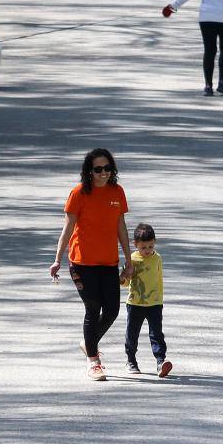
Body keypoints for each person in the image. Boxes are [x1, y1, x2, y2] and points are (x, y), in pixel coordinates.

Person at [50, 148, 133, 382]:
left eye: (107, 168)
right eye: (98, 169)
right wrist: (57, 259)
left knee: (113, 310)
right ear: (89, 171)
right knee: (92, 307)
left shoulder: (117, 192)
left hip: (108, 261)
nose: (103, 173)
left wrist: (128, 258)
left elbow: (121, 227)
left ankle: (88, 342)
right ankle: (94, 362)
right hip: (82, 262)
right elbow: (67, 229)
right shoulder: (78, 193)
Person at [122, 222, 172, 377]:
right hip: (135, 303)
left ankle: (160, 361)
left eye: (150, 246)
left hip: (155, 303)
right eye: (143, 247)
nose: (147, 250)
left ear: (154, 242)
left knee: (156, 333)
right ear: (135, 244)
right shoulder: (132, 259)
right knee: (132, 333)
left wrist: (159, 298)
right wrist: (124, 276)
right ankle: (131, 360)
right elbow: (125, 283)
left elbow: (158, 280)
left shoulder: (157, 258)